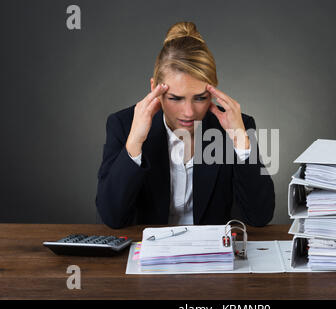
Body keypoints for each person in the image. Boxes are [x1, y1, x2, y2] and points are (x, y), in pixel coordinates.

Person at [96, 21, 275, 229]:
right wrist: (135, 141)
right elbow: (111, 217)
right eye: (175, 98)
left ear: (213, 91)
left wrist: (241, 145)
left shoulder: (238, 125)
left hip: (212, 257)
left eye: (200, 98)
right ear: (155, 88)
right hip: (149, 255)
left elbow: (260, 216)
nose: (189, 112)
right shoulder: (123, 125)